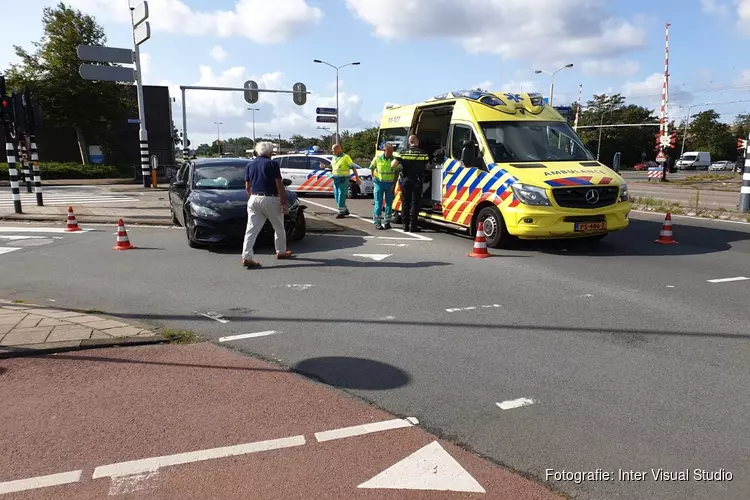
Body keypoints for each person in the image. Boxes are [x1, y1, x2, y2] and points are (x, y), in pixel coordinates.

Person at [241, 141, 294, 268]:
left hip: (254, 198)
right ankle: (281, 251)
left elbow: (247, 185)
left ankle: (246, 256)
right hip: (270, 198)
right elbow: (279, 184)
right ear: (270, 153)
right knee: (279, 227)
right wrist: (283, 202)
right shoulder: (272, 164)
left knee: (251, 230)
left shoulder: (250, 165)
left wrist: (252, 197)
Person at [392, 135, 430, 232]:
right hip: (417, 180)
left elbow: (393, 165)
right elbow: (428, 167)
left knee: (405, 202)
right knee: (415, 203)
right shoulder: (423, 153)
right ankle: (413, 226)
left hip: (406, 180)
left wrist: (401, 167)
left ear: (409, 142)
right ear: (417, 141)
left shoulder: (403, 152)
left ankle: (405, 225)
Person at [369, 143, 398, 229]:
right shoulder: (377, 158)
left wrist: (394, 184)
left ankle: (387, 222)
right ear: (384, 151)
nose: (391, 153)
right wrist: (374, 179)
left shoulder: (394, 160)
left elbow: (397, 173)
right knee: (378, 203)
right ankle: (377, 222)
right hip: (379, 184)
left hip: (390, 185)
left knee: (389, 204)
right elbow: (371, 168)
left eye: (392, 151)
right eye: (389, 151)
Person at [328, 144, 361, 219]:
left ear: (339, 149)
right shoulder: (334, 157)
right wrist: (325, 166)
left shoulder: (346, 157)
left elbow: (353, 167)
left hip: (343, 179)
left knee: (341, 195)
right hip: (335, 179)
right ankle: (345, 209)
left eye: (334, 150)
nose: (332, 152)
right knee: (336, 196)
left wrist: (357, 178)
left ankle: (341, 212)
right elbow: (332, 167)